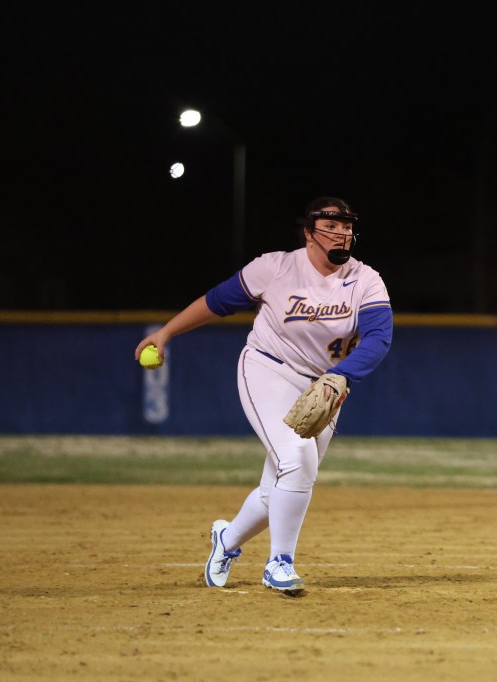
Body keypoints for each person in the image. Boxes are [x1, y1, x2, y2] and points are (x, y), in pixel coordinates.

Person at [134, 196, 393, 596]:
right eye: (330, 226)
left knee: (281, 485)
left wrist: (340, 377)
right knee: (299, 460)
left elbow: (378, 338)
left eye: (346, 226)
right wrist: (166, 332)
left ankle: (226, 540)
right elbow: (217, 302)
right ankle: (279, 562)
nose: (341, 233)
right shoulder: (276, 268)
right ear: (309, 234)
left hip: (324, 385)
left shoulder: (365, 279)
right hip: (269, 369)